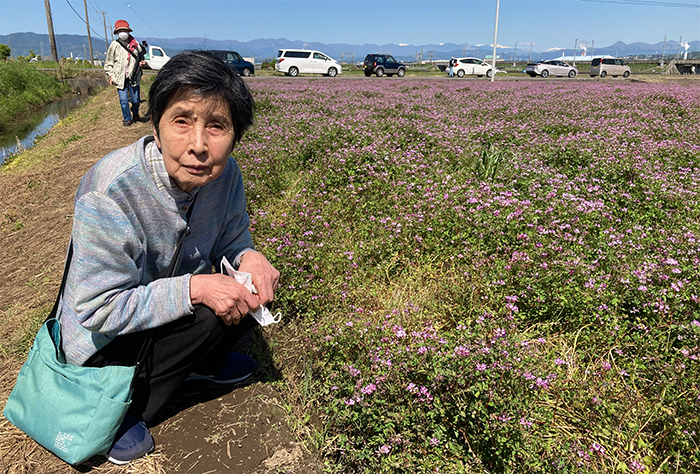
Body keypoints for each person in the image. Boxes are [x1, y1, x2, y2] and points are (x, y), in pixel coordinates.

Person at [58, 50, 280, 464]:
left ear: (235, 137)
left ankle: (198, 364)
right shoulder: (112, 193)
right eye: (182, 121)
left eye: (217, 126)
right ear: (156, 130)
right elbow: (97, 309)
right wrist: (194, 287)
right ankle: (117, 409)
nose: (199, 145)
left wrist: (250, 257)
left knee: (243, 294)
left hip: (159, 305)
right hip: (104, 338)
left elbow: (234, 240)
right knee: (209, 298)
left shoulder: (226, 175)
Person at [104, 20, 146, 126]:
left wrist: (143, 63)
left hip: (134, 76)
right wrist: (111, 75)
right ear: (117, 33)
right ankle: (127, 118)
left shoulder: (136, 45)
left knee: (136, 100)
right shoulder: (114, 45)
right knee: (123, 100)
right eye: (120, 31)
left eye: (124, 30)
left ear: (128, 31)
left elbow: (142, 59)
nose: (123, 33)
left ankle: (135, 112)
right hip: (119, 76)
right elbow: (109, 62)